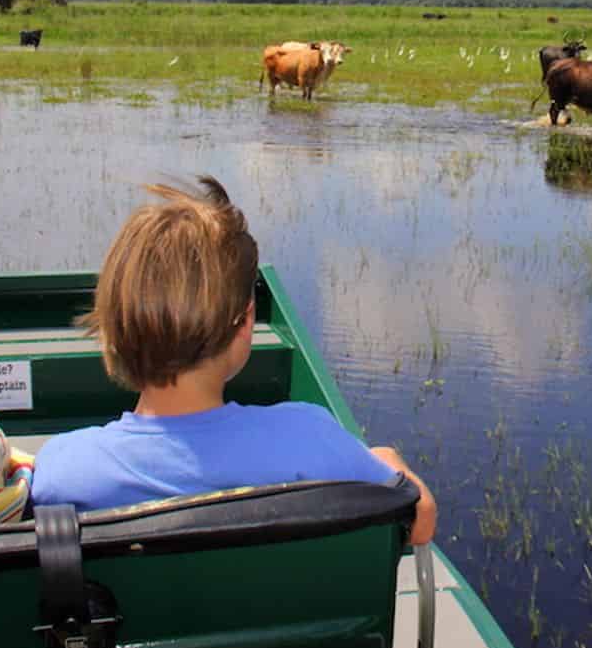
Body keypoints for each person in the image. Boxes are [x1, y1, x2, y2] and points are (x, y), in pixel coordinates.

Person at [32, 176, 436, 545]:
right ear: (244, 323)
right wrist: (389, 461)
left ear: (113, 325)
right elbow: (420, 519)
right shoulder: (312, 436)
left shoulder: (61, 472)